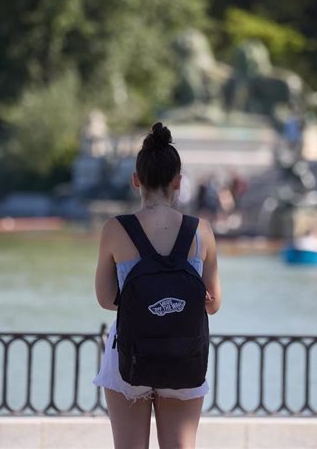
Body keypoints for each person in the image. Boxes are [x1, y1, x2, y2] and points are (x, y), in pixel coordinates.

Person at [93, 122, 222, 449]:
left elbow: (106, 299)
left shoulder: (115, 229)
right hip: (184, 354)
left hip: (129, 354)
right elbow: (214, 303)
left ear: (136, 179)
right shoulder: (201, 231)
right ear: (178, 183)